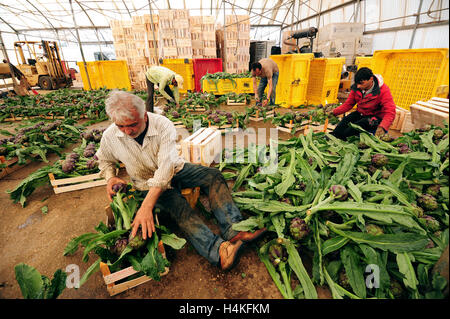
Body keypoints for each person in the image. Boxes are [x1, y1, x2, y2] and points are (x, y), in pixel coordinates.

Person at [95, 90, 266, 271]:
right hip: (146, 182)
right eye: (121, 126)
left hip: (175, 169)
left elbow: (166, 167)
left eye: (132, 125)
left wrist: (146, 207)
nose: (127, 131)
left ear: (144, 115)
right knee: (179, 207)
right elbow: (105, 160)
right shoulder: (110, 136)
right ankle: (219, 252)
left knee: (213, 176)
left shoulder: (162, 125)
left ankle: (234, 228)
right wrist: (110, 176)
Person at [329, 67, 396, 140]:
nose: (358, 86)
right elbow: (348, 104)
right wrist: (334, 112)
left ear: (371, 79)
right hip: (361, 113)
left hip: (375, 117)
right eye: (357, 83)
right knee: (345, 121)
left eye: (361, 83)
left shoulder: (383, 90)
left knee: (354, 128)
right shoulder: (357, 88)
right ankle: (333, 137)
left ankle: (343, 140)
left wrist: (383, 127)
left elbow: (390, 111)